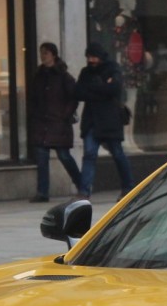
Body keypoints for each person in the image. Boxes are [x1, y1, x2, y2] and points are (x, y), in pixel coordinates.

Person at [74, 42, 134, 202]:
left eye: (94, 57)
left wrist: (93, 89)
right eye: (89, 57)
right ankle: (84, 191)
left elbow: (114, 89)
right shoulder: (85, 72)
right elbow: (79, 92)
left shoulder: (112, 68)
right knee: (89, 155)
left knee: (117, 153)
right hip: (92, 121)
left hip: (110, 120)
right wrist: (100, 89)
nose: (91, 60)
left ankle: (128, 187)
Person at [27, 42, 80, 203]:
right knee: (42, 158)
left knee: (64, 156)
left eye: (46, 53)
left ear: (53, 55)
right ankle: (42, 192)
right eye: (41, 53)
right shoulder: (39, 75)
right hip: (42, 123)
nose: (43, 56)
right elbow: (34, 98)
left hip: (58, 123)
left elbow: (74, 97)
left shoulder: (64, 76)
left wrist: (65, 115)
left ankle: (82, 184)